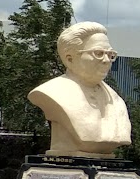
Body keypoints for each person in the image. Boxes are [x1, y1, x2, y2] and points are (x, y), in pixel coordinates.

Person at [28, 21, 131, 156]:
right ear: (70, 59)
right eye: (98, 53)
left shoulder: (117, 101)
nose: (106, 60)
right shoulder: (52, 92)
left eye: (110, 54)